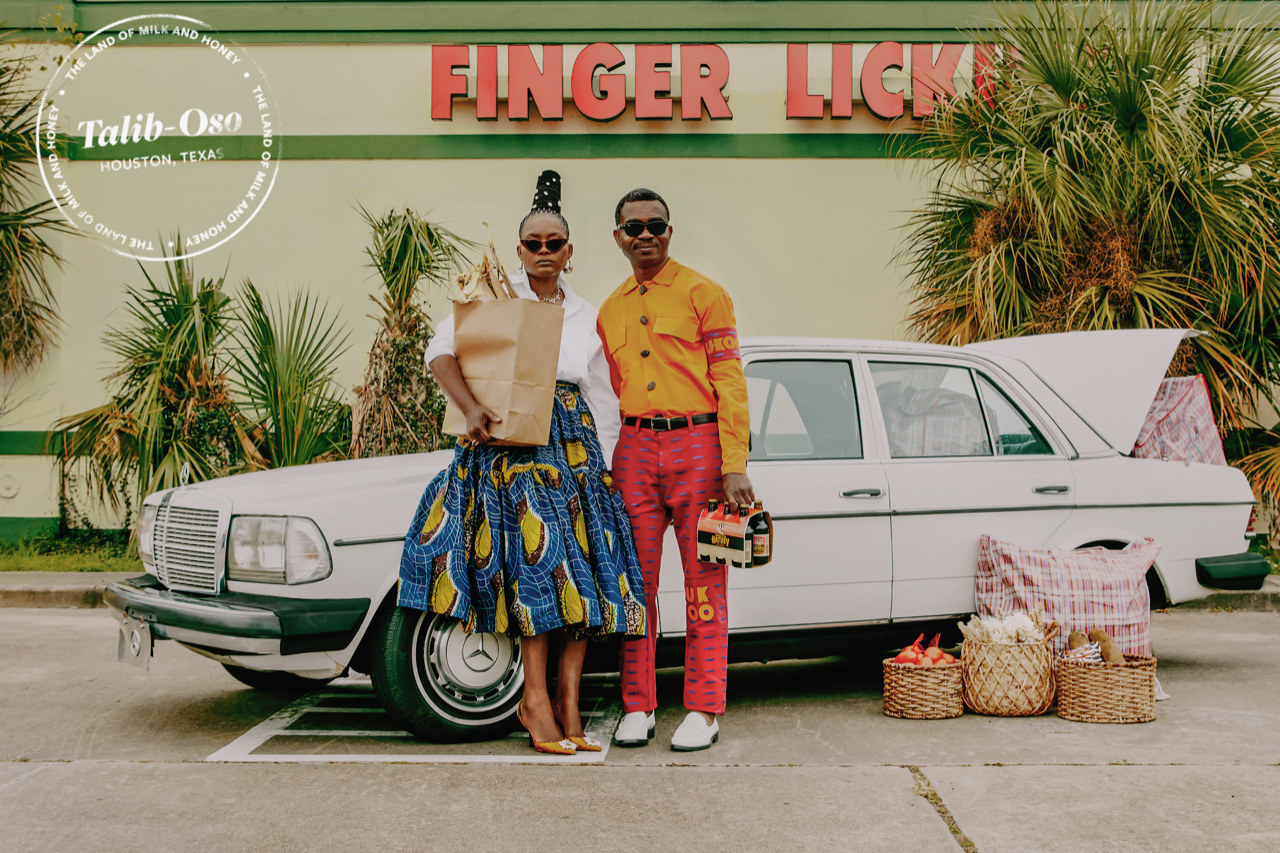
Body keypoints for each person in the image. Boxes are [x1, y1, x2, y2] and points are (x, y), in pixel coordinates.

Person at [399, 170, 647, 755]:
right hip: (512, 449)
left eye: (553, 244)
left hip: (576, 450)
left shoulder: (587, 312)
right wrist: (470, 408)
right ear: (518, 249)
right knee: (541, 573)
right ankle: (534, 703)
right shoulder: (494, 297)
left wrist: (604, 467)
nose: (542, 252)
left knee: (584, 580)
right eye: (532, 243)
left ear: (570, 251)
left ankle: (568, 703)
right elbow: (439, 352)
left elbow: (601, 394)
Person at [597, 188, 755, 751]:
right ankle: (637, 705)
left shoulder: (703, 293)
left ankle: (704, 709)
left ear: (670, 230)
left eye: (656, 226)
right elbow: (612, 389)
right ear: (617, 236)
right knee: (634, 587)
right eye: (634, 227)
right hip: (635, 453)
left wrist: (734, 462)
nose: (646, 235)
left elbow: (730, 378)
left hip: (699, 449)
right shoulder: (609, 309)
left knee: (704, 585)